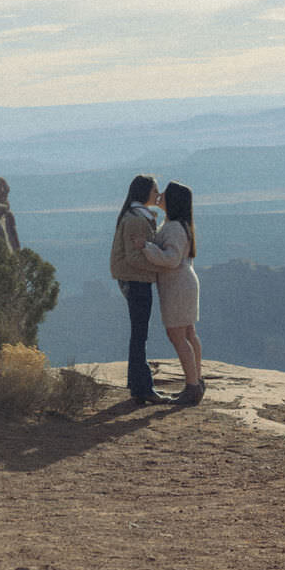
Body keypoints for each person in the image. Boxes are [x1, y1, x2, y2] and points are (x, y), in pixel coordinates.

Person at [140, 181, 204, 405]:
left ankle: (192, 386)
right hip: (185, 283)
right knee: (189, 333)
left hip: (177, 286)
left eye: (165, 194)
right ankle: (197, 380)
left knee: (177, 335)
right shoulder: (181, 224)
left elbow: (171, 259)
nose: (161, 196)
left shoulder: (174, 227)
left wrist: (147, 247)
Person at [110, 174, 171, 405]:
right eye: (155, 190)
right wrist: (160, 266)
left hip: (134, 280)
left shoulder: (136, 215)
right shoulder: (136, 219)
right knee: (139, 335)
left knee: (138, 334)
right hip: (136, 281)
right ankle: (143, 388)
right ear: (145, 192)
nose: (157, 194)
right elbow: (134, 257)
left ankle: (137, 386)